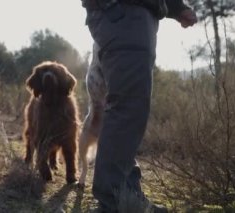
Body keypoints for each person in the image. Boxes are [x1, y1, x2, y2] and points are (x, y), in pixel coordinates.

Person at [81, 0, 197, 212]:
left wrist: (176, 8)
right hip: (121, 13)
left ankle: (124, 193)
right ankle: (116, 200)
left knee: (132, 108)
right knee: (127, 107)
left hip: (134, 17)